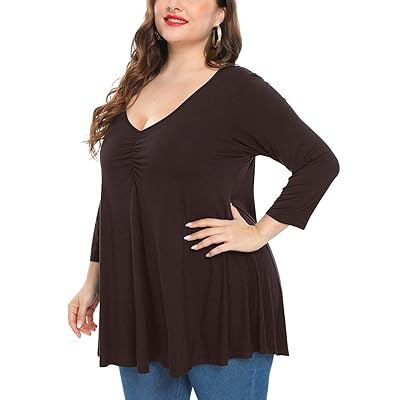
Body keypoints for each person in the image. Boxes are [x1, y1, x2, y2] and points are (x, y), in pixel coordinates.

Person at [67, 0, 340, 399]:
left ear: (220, 14)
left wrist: (259, 233)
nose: (174, 3)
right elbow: (117, 196)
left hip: (219, 302)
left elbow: (318, 162)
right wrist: (94, 280)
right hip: (139, 303)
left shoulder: (239, 90)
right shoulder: (135, 87)